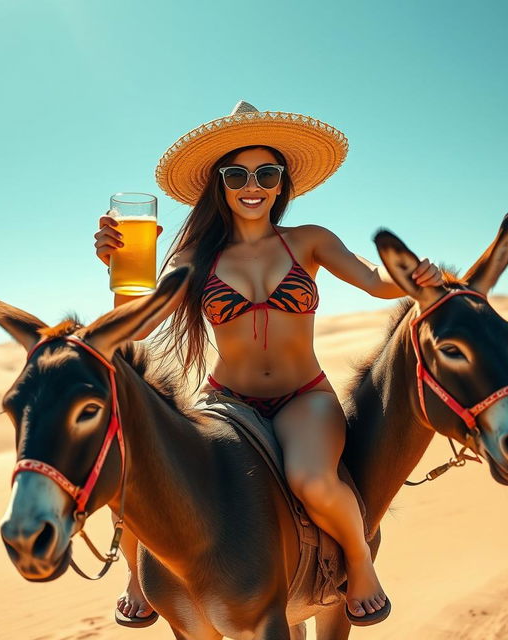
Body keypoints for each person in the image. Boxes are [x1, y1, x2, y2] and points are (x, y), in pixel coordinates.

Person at [93, 101, 442, 627]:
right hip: (226, 401)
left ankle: (361, 562)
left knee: (312, 479)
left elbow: (374, 279)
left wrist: (415, 278)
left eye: (266, 173)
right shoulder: (195, 257)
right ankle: (139, 574)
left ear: (281, 184)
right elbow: (136, 327)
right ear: (221, 185)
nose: (251, 184)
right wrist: (119, 272)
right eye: (237, 174)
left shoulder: (310, 241)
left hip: (304, 397)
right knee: (148, 471)